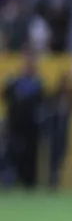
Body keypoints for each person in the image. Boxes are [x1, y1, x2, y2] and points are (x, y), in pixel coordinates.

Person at [2, 47, 44, 189]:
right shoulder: (15, 80)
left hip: (31, 125)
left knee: (30, 154)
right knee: (11, 152)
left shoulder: (37, 82)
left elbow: (42, 102)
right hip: (15, 124)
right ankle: (10, 180)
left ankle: (29, 182)